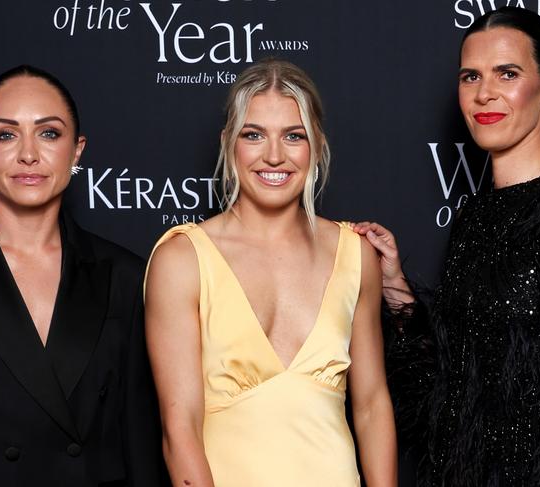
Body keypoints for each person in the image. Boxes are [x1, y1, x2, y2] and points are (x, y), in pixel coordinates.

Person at [354, 6, 540, 486]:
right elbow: (453, 385)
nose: (484, 93)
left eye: (507, 74)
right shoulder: (474, 217)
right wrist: (395, 289)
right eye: (471, 76)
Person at [145, 59, 397, 487]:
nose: (274, 156)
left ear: (316, 144)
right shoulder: (183, 259)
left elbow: (372, 405)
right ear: (229, 143)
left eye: (293, 136)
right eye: (254, 135)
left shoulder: (356, 255)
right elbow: (179, 428)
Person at [0, 65, 167, 486]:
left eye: (49, 133)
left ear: (77, 150)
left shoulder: (122, 275)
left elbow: (140, 441)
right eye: (6, 134)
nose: (28, 154)